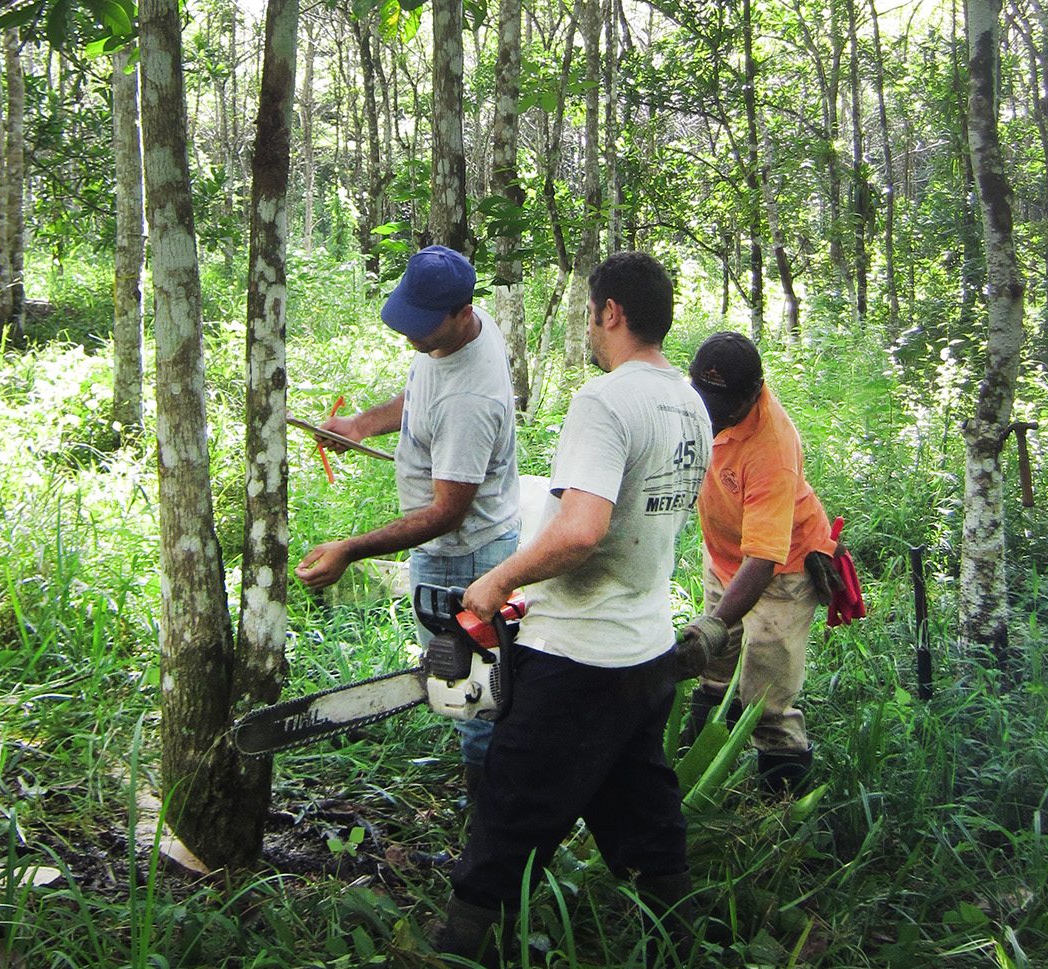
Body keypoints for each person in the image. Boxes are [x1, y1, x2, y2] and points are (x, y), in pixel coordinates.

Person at [441, 251, 713, 966]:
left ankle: (460, 948)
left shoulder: (605, 400)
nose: (589, 326)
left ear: (611, 313)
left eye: (591, 313)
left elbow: (582, 529)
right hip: (645, 649)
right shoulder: (690, 402)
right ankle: (682, 939)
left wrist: (498, 581)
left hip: (578, 656)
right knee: (641, 807)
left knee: (511, 809)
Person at [295, 244, 519, 794]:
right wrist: (362, 424)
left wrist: (349, 549)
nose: (411, 339)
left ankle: (488, 827)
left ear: (462, 313)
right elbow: (424, 390)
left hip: (467, 555)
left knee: (478, 696)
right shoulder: (458, 332)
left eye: (423, 328)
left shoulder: (471, 399)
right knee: (462, 685)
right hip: (453, 549)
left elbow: (446, 513)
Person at [677, 330, 842, 795]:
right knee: (713, 670)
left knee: (765, 699)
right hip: (727, 559)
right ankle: (696, 773)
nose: (707, 413)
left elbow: (764, 559)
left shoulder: (772, 447)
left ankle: (779, 812)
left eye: (720, 403)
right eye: (701, 397)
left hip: (782, 569)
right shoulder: (695, 407)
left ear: (752, 393)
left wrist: (714, 625)